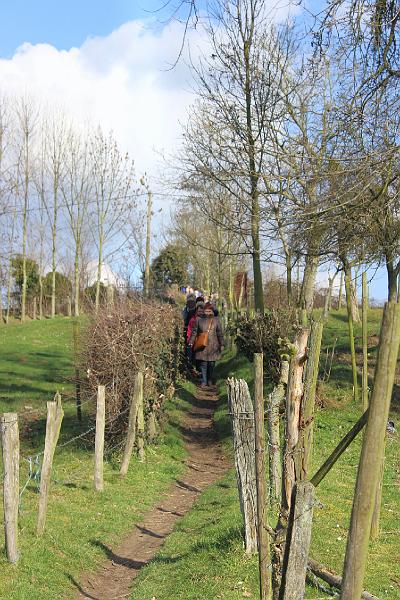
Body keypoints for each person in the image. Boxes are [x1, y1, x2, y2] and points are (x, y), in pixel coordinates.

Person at [188, 302, 224, 388]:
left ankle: (209, 379)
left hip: (213, 346)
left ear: (212, 311)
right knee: (203, 365)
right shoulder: (198, 320)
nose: (207, 313)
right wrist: (191, 341)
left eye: (209, 311)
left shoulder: (216, 320)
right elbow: (194, 332)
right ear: (203, 311)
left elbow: (219, 333)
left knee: (211, 364)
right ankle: (204, 381)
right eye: (206, 311)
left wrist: (222, 344)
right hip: (202, 346)